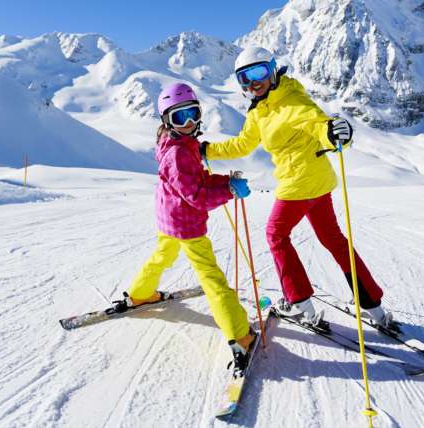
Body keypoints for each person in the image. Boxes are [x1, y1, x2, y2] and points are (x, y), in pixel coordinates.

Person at [201, 47, 396, 333]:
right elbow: (242, 144)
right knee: (333, 239)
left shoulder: (291, 100)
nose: (253, 83)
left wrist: (333, 134)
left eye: (259, 73)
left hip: (299, 184)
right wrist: (208, 150)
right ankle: (373, 307)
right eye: (245, 78)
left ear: (272, 70)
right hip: (317, 184)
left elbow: (316, 123)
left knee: (276, 234)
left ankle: (299, 304)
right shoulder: (260, 110)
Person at [111, 82, 257, 373]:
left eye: (193, 114)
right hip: (186, 224)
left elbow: (196, 181)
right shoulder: (178, 153)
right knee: (212, 279)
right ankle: (240, 334)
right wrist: (228, 189)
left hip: (168, 218)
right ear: (167, 121)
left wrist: (224, 181)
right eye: (180, 117)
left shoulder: (176, 144)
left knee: (161, 256)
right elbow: (197, 195)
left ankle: (141, 294)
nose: (189, 123)